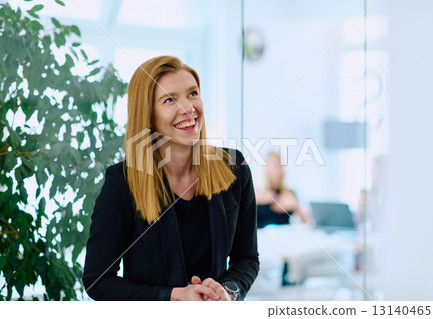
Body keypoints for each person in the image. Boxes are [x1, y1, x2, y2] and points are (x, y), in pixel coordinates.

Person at [82, 56, 259, 301]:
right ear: (148, 115)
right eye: (169, 99)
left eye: (193, 94)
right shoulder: (122, 182)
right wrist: (173, 297)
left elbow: (247, 258)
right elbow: (98, 280)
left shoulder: (233, 169)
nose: (188, 107)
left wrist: (228, 291)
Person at [255, 152, 311, 228]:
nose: (278, 170)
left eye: (280, 165)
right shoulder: (255, 194)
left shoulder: (290, 194)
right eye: (274, 166)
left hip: (284, 237)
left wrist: (295, 205)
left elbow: (308, 223)